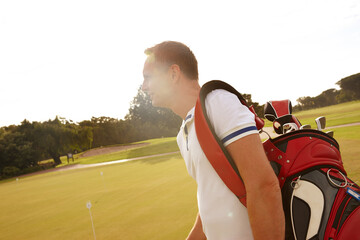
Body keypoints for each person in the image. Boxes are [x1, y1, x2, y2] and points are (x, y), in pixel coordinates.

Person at [142, 41, 285, 240]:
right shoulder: (182, 134)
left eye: (148, 78)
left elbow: (263, 186)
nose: (143, 87)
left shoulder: (217, 103)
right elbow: (212, 201)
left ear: (173, 74)